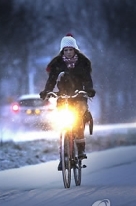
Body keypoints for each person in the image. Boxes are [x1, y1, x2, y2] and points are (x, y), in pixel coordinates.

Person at [39, 33, 96, 171]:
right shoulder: (57, 64)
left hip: (78, 96)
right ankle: (63, 156)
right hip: (63, 97)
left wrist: (89, 90)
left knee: (77, 123)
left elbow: (87, 80)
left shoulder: (82, 63)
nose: (68, 52)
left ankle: (81, 150)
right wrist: (47, 91)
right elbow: (51, 80)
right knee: (62, 126)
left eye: (71, 49)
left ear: (75, 50)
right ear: (62, 51)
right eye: (66, 50)